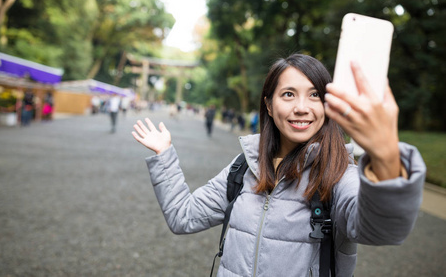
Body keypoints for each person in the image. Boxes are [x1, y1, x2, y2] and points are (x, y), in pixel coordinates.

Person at [131, 53, 425, 276]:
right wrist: (164, 155)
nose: (301, 107)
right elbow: (184, 217)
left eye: (315, 95)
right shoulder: (244, 167)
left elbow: (382, 231)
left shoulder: (338, 175)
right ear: (269, 106)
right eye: (288, 94)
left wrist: (386, 155)